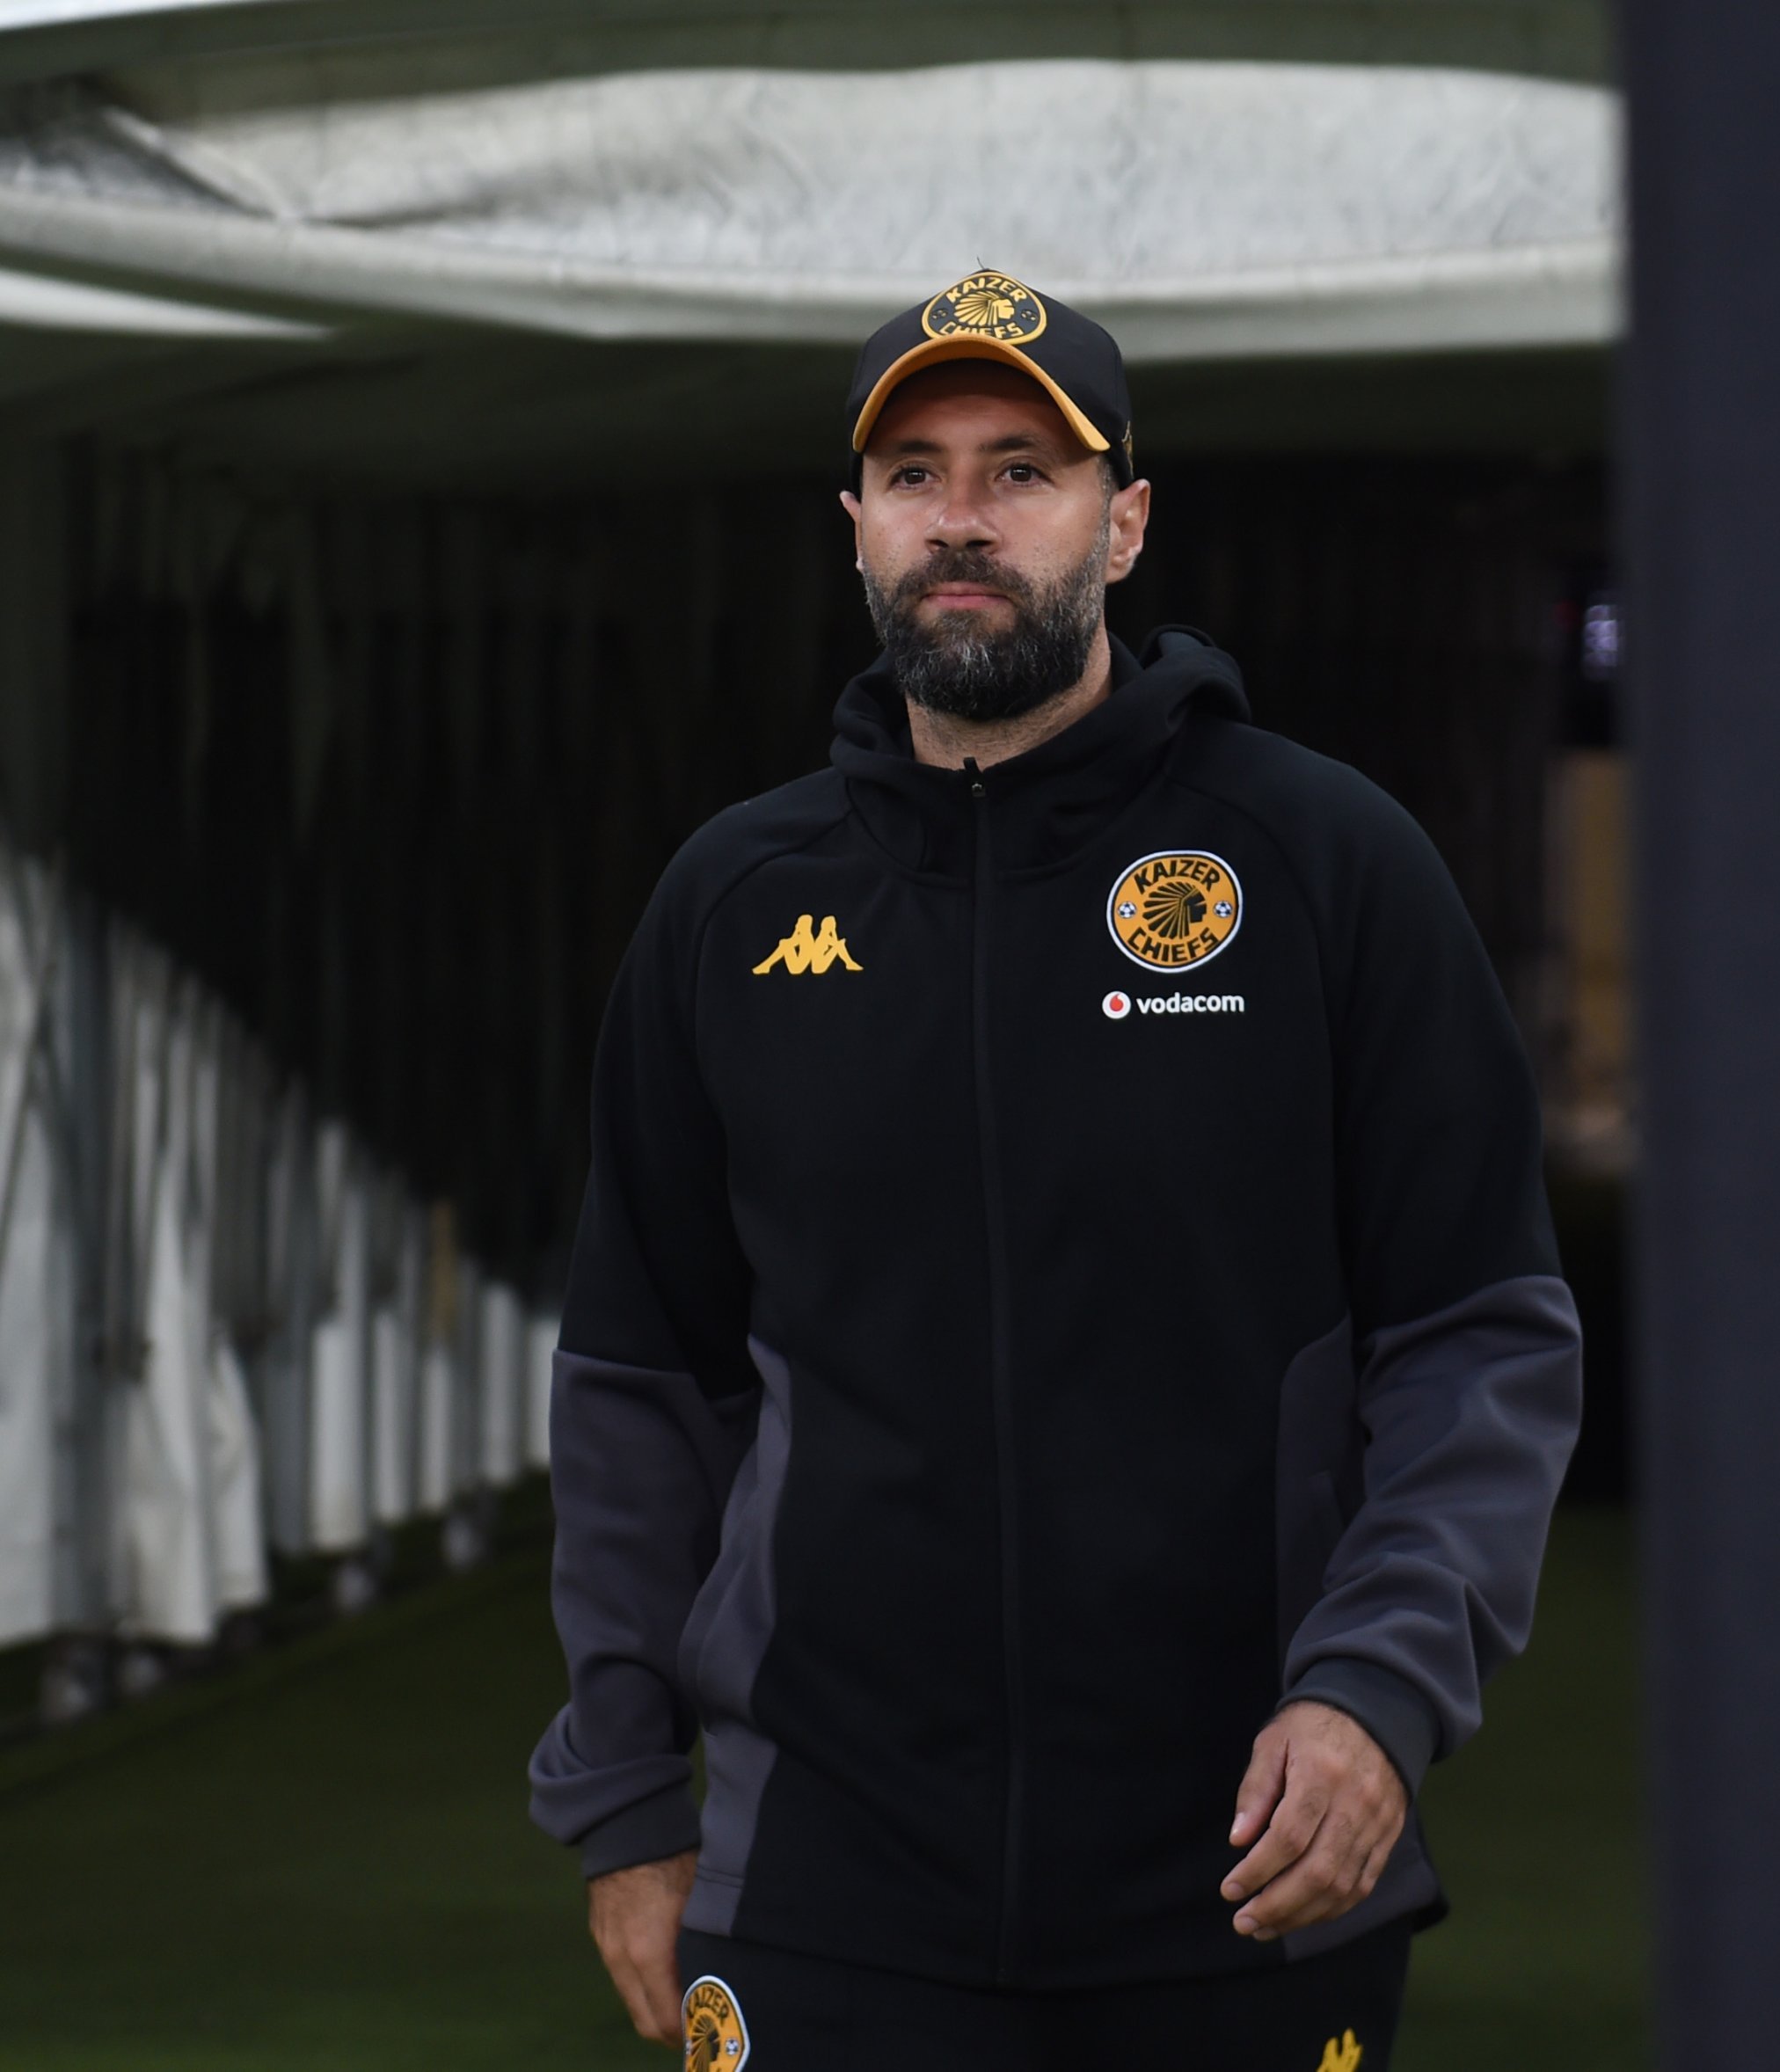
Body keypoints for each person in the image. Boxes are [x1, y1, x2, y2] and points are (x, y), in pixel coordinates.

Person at [529, 270, 1583, 2072]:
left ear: (1126, 518)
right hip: (827, 1883)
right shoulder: (733, 902)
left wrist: (1372, 1691)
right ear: (853, 524)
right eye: (916, 470)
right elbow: (646, 1390)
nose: (963, 516)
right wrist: (626, 1793)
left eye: (1021, 468)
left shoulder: (1325, 863)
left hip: (1252, 1864)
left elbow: (1476, 1338)